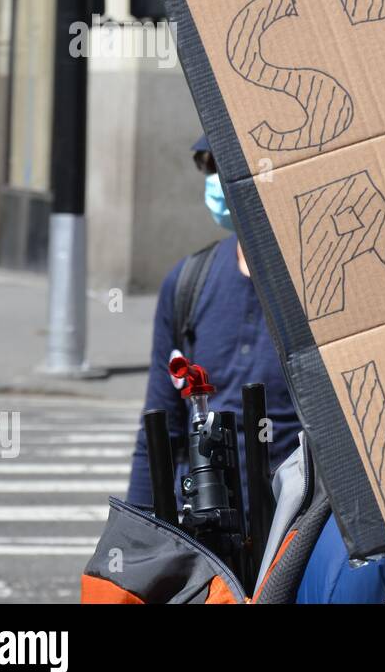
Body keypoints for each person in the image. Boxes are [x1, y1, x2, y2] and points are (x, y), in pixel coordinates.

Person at [126, 135, 302, 513]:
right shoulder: (188, 281)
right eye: (208, 165)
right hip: (206, 528)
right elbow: (160, 430)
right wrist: (137, 533)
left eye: (225, 165)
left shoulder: (322, 288)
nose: (214, 178)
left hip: (301, 531)